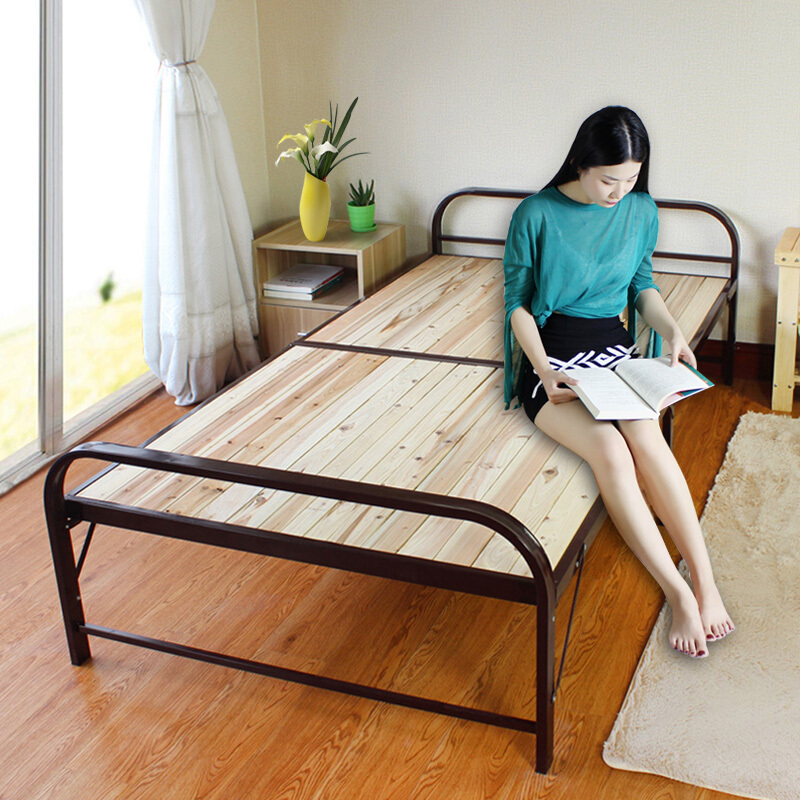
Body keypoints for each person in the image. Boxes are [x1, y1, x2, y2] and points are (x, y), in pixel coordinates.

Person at [503, 106, 734, 658]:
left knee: (645, 437)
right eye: (610, 179)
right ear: (581, 163)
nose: (620, 192)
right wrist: (543, 370)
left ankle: (706, 584)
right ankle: (677, 593)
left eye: (631, 179)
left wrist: (673, 331)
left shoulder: (641, 209)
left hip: (612, 349)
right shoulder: (536, 214)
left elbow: (641, 285)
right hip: (551, 356)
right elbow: (517, 305)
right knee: (610, 449)